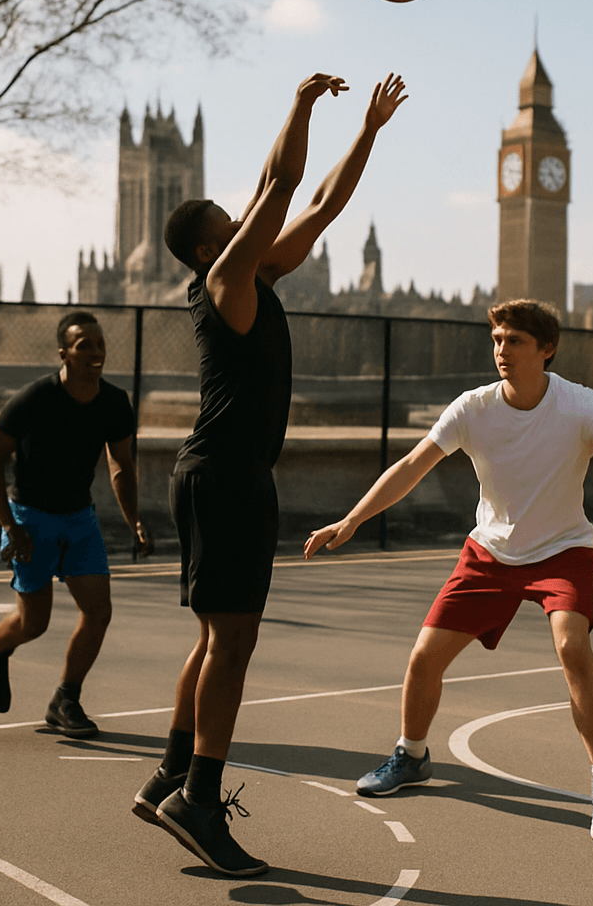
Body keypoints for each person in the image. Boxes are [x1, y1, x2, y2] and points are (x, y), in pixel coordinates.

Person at [131, 72, 407, 878]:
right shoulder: (222, 282)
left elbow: (316, 203)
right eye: (229, 218)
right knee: (235, 641)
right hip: (225, 477)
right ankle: (200, 800)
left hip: (222, 475)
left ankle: (168, 777)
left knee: (216, 638)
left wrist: (367, 131)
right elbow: (280, 183)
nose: (242, 211)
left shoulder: (250, 279)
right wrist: (298, 103)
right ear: (212, 244)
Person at [305, 298, 593, 843]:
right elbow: (412, 467)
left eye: (514, 341)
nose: (501, 351)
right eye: (496, 340)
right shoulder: (473, 408)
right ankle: (411, 756)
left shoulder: (579, 405)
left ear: (546, 349)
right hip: (489, 553)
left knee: (572, 647)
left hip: (562, 550)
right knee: (424, 657)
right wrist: (352, 520)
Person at [0, 310, 152, 738]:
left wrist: (134, 520)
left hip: (79, 518)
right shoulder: (36, 397)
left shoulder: (113, 402)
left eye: (99, 344)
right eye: (83, 345)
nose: (95, 352)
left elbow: (121, 465)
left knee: (98, 611)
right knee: (34, 622)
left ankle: (65, 698)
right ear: (64, 354)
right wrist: (10, 526)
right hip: (30, 517)